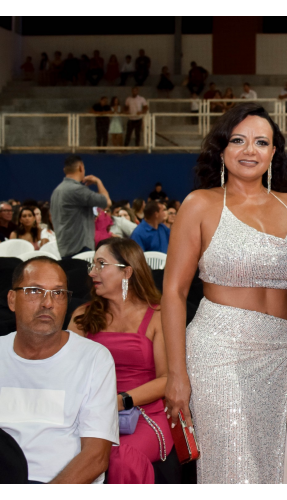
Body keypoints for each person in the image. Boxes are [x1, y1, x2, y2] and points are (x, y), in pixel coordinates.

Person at [161, 103, 287, 483]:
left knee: (269, 465)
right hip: (219, 353)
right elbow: (174, 292)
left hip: (281, 353)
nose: (250, 150)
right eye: (238, 140)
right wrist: (176, 374)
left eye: (261, 142)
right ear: (222, 149)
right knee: (233, 467)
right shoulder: (200, 204)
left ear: (274, 151)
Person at [0, 257, 118, 483]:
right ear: (12, 300)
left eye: (58, 293)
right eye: (35, 291)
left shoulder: (93, 359)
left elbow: (96, 457)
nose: (48, 303)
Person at [68, 238, 174, 484]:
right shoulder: (84, 315)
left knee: (120, 459)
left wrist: (120, 401)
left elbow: (167, 379)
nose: (92, 272)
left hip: (145, 414)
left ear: (127, 272)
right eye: (92, 265)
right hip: (91, 413)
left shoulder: (158, 315)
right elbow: (66, 370)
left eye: (101, 264)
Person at [50, 155, 111, 259]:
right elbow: (107, 202)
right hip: (80, 248)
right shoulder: (77, 190)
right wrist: (98, 182)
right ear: (81, 167)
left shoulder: (56, 191)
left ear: (65, 170)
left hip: (64, 248)